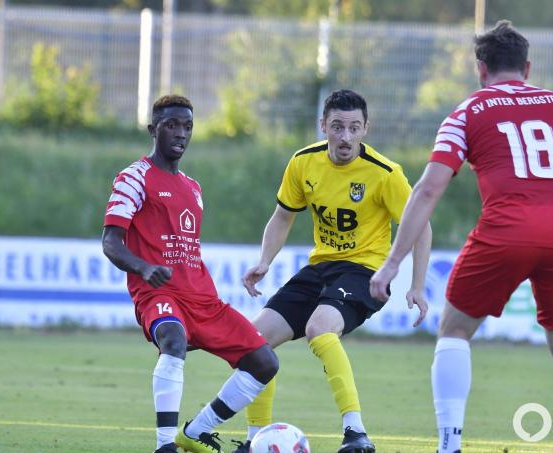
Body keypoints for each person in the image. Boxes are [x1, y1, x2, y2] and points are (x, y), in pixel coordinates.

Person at [369, 21, 553, 453]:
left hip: (505, 233)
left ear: (481, 68)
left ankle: (449, 443)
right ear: (527, 67)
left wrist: (393, 261)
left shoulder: (465, 112)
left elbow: (428, 189)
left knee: (455, 331)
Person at [231, 89, 432, 453]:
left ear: (366, 128)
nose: (346, 137)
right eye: (337, 127)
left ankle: (356, 433)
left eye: (355, 127)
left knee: (319, 328)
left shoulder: (386, 173)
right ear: (323, 125)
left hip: (366, 271)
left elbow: (421, 226)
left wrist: (417, 285)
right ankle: (255, 440)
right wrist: (265, 260)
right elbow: (282, 217)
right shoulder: (303, 162)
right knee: (252, 339)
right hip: (321, 268)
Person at [102, 94, 279, 453]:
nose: (180, 133)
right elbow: (110, 242)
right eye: (171, 125)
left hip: (203, 298)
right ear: (154, 129)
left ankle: (196, 431)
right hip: (158, 294)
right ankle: (165, 445)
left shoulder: (194, 189)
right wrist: (143, 267)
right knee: (173, 340)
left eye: (187, 126)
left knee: (264, 363)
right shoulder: (133, 178)